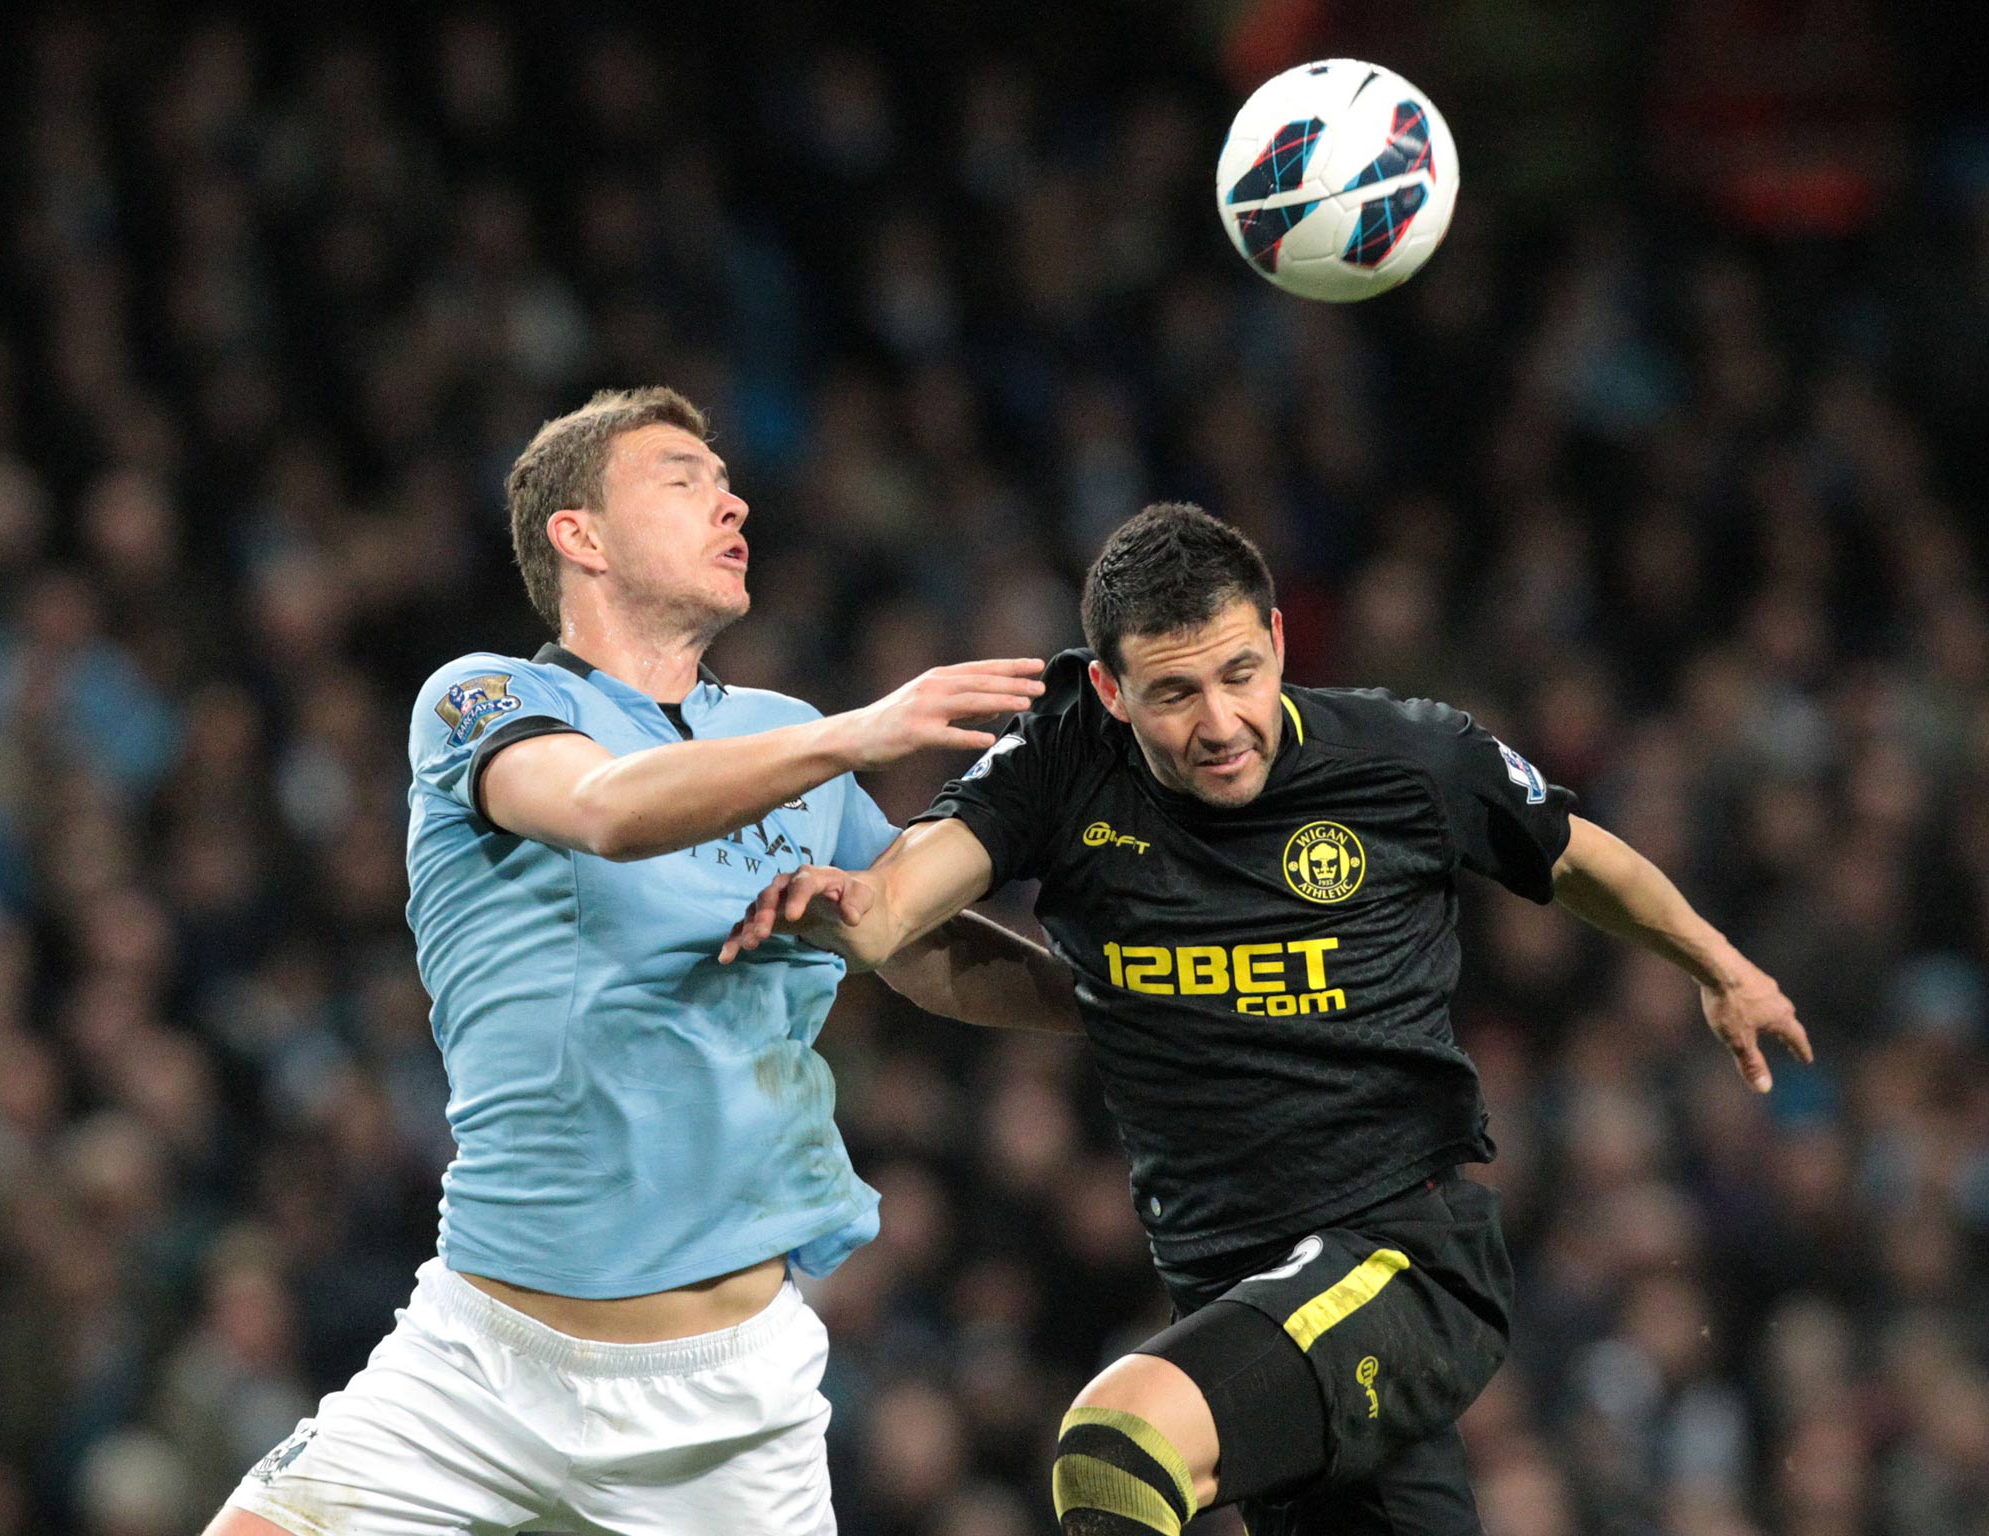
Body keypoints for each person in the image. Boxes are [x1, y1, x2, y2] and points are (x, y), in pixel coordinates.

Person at [720, 503, 1812, 1535]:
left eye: (1239, 672)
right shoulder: (1058, 766)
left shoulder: (1403, 759)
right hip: (1237, 1298)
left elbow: (1577, 859)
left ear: (1280, 642)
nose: (1219, 722)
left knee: (1114, 1443)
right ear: (1107, 689)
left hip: (1402, 1263)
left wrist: (1716, 964)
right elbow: (900, 904)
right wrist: (850, 909)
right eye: (1173, 692)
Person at [205, 386, 1077, 1536]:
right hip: (481, 1363)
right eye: (683, 480)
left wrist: (1127, 1006)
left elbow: (907, 942)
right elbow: (606, 808)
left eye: (727, 483)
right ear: (580, 537)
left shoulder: (782, 734)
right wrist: (854, 733)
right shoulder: (482, 699)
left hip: (726, 1403)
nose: (732, 502)